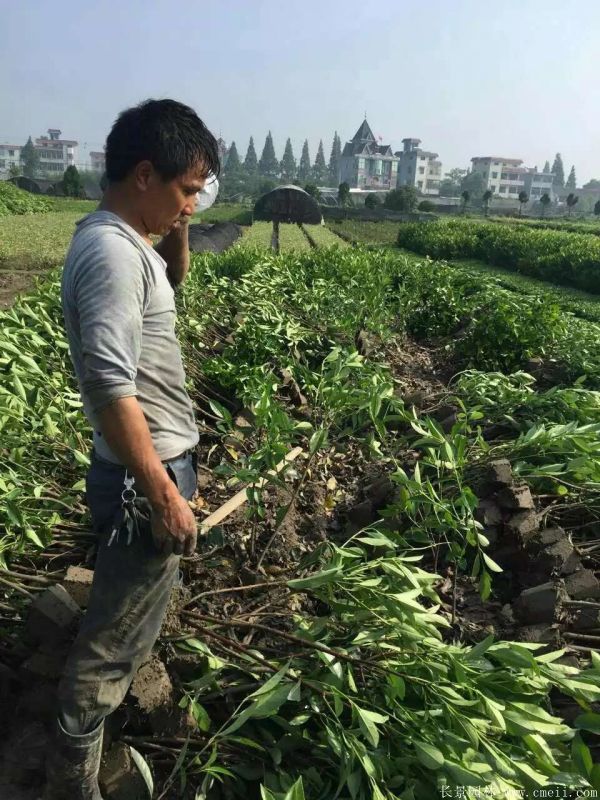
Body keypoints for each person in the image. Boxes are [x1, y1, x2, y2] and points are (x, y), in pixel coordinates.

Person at [45, 98, 220, 799]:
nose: (191, 206)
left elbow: (165, 287)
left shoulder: (129, 247)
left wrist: (178, 226)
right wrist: (163, 494)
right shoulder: (111, 255)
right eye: (184, 191)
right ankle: (71, 774)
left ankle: (84, 743)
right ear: (143, 173)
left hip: (151, 471)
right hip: (140, 480)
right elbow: (112, 387)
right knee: (112, 642)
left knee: (128, 620)